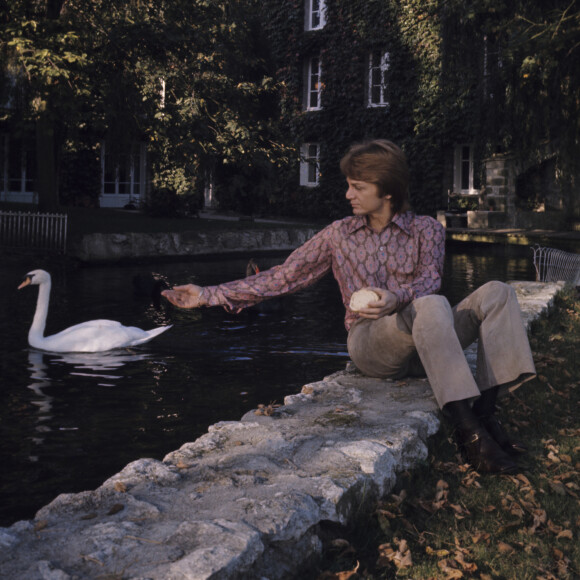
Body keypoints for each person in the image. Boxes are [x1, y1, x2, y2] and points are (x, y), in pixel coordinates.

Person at [162, 139, 536, 474]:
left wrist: (396, 296)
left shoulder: (427, 230)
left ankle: (487, 416)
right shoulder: (339, 234)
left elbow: (429, 280)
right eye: (349, 186)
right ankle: (469, 432)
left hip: (427, 336)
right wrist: (209, 293)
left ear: (387, 191)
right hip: (371, 343)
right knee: (431, 303)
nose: (347, 195)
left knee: (497, 292)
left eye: (358, 187)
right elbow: (284, 276)